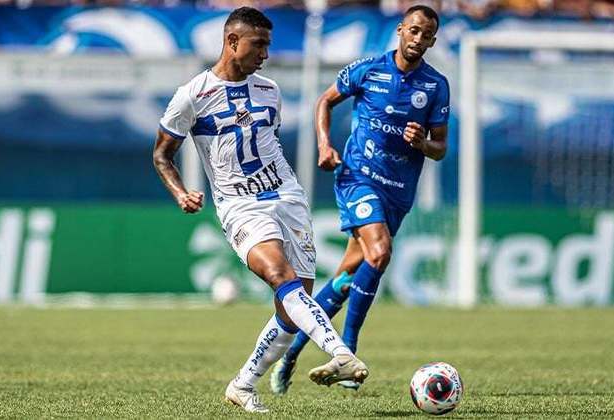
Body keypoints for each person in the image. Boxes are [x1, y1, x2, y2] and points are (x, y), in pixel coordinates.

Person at [152, 7, 368, 413]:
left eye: (268, 45)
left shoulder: (269, 90)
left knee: (293, 305)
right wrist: (181, 192)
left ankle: (243, 384)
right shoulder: (192, 95)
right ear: (232, 42)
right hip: (239, 205)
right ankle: (340, 353)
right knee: (278, 275)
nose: (266, 54)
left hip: (287, 197)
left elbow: (269, 146)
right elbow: (162, 155)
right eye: (259, 45)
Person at [271, 4, 449, 394]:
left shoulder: (436, 86)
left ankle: (290, 355)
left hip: (398, 191)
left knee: (349, 277)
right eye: (413, 31)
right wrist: (324, 145)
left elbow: (440, 148)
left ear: (432, 41)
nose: (418, 40)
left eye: (426, 35)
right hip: (357, 177)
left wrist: (424, 143)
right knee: (380, 252)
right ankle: (347, 351)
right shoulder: (368, 69)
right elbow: (324, 101)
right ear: (401, 30)